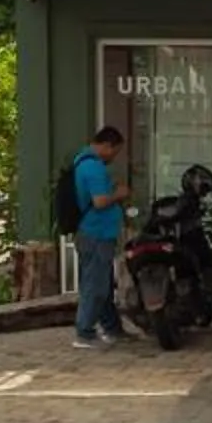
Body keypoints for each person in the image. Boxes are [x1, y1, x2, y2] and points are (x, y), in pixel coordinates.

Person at [70, 126, 132, 349]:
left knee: (103, 283)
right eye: (114, 151)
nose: (114, 157)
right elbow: (100, 201)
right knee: (95, 285)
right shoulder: (93, 167)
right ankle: (84, 332)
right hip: (96, 233)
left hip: (96, 233)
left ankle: (112, 327)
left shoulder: (83, 162)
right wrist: (120, 194)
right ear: (107, 145)